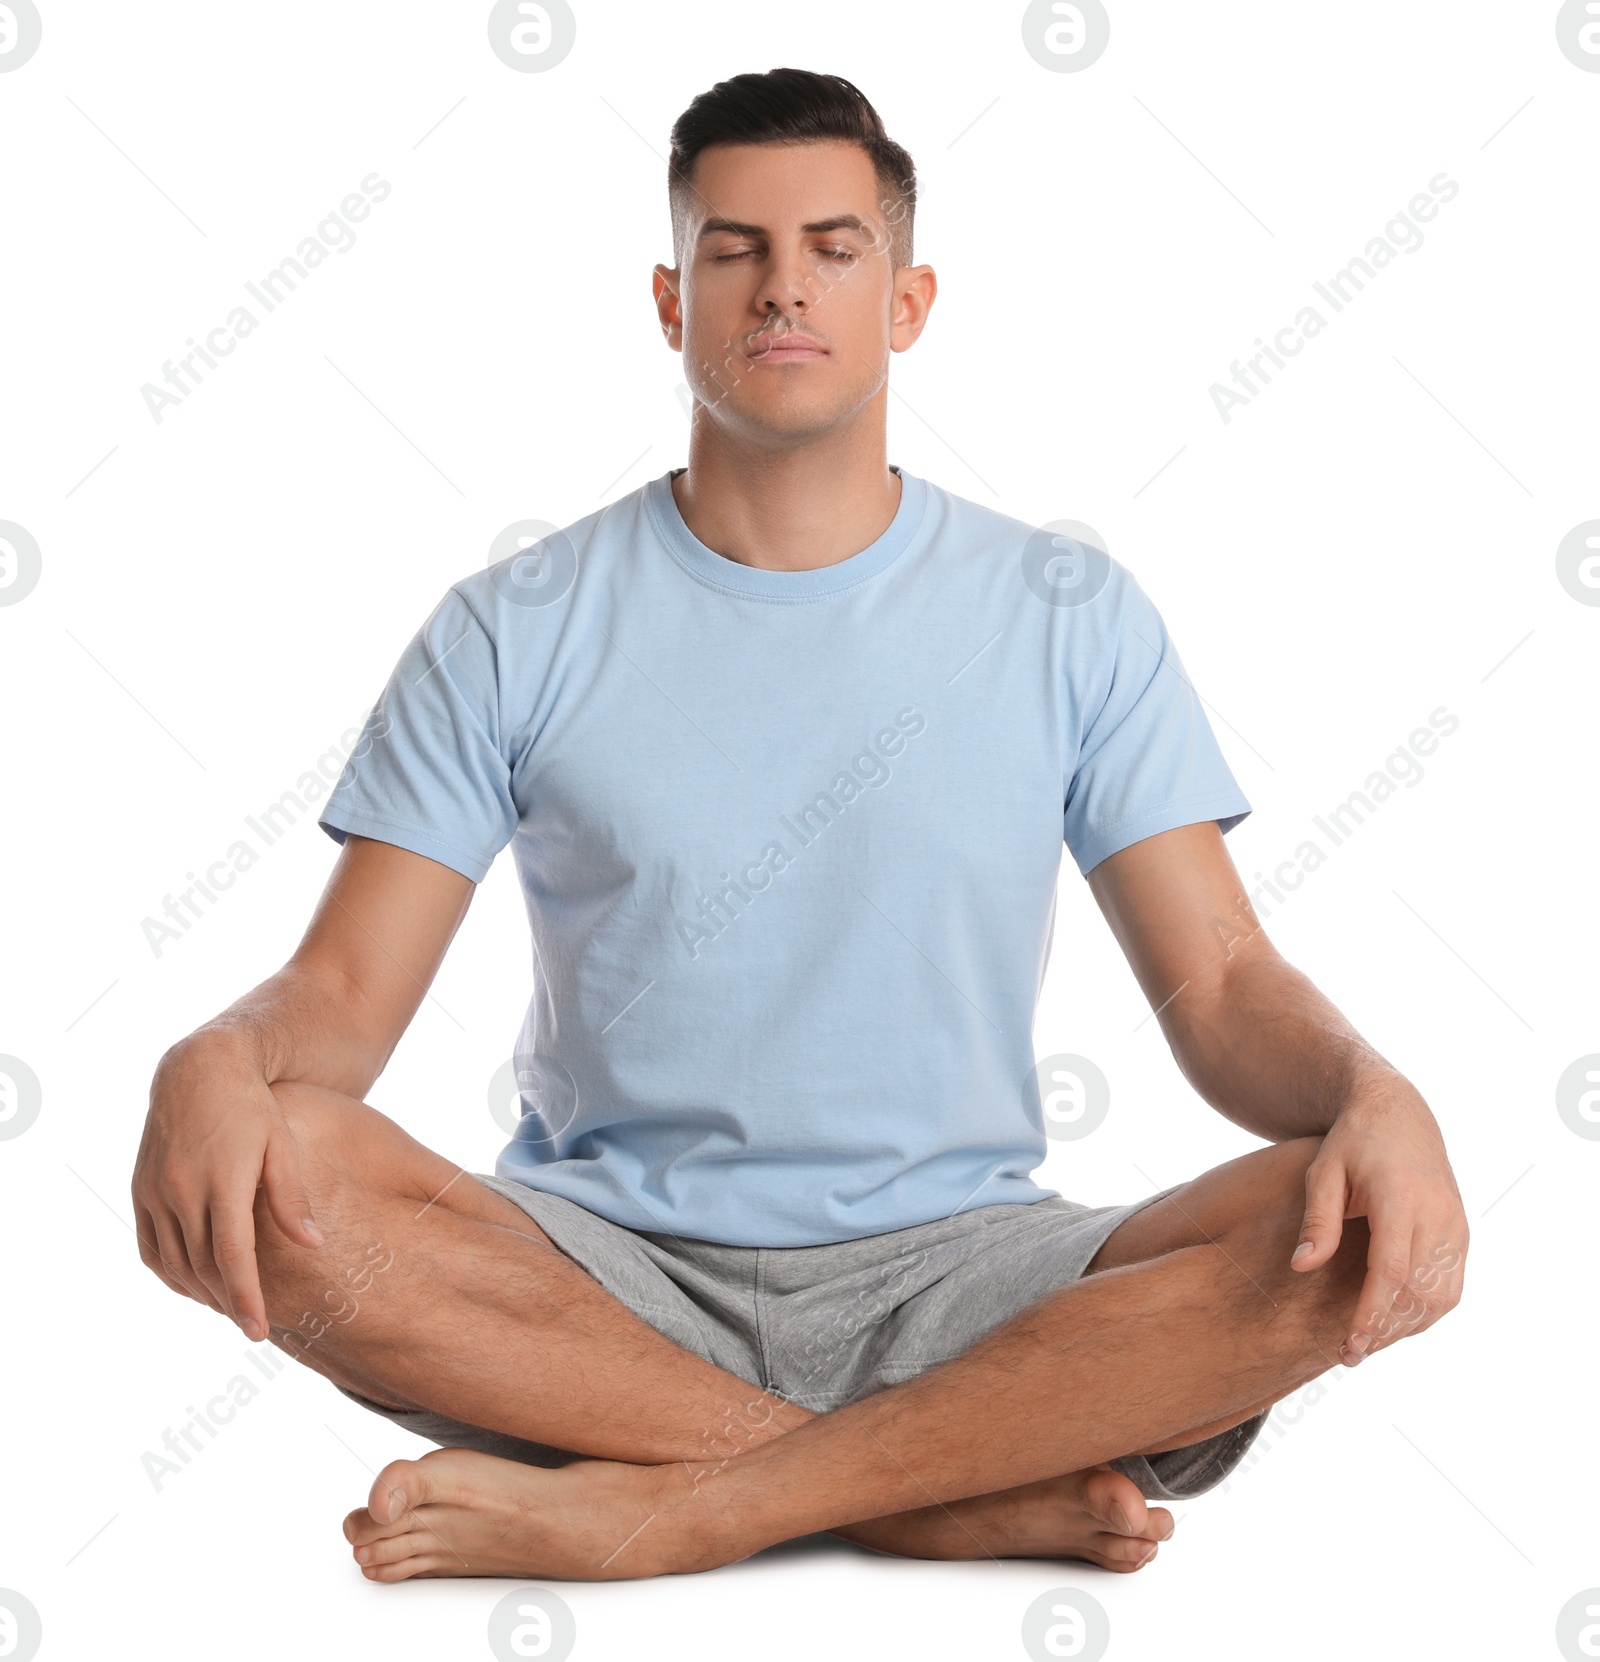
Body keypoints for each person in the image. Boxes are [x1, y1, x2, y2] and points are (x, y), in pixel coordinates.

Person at [131, 67, 1467, 1583]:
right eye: (734, 249)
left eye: (833, 248)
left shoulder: (1064, 615)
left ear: (906, 300)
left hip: (969, 1275)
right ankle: (923, 1489)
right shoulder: (515, 625)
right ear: (668, 297)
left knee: (1347, 1218)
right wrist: (216, 1056)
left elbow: (1221, 989)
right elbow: (344, 1006)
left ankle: (688, 1497)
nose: (783, 288)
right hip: (596, 1280)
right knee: (284, 1157)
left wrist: (1376, 1085)